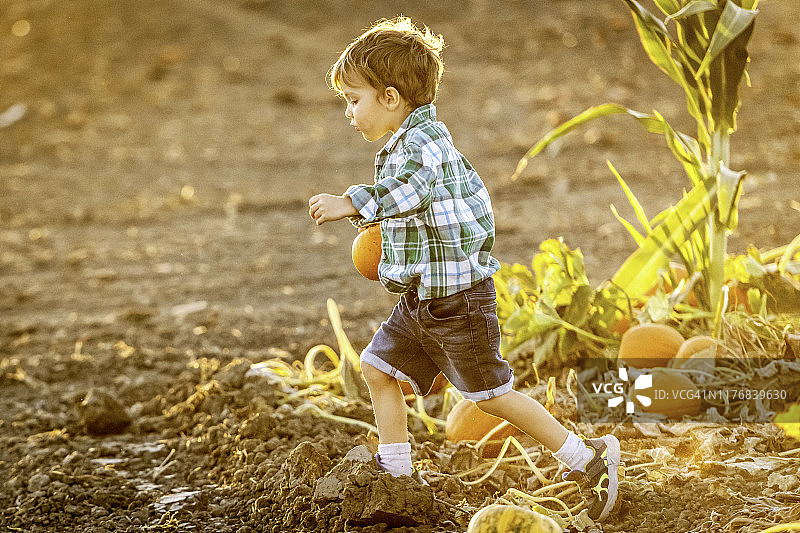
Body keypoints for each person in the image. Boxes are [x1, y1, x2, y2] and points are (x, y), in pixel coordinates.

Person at [308, 17, 620, 521]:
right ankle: (398, 476)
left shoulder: (424, 145)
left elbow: (413, 189)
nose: (349, 112)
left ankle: (588, 459)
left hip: (459, 305)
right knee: (376, 368)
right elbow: (416, 217)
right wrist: (379, 238)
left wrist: (352, 202)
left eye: (353, 99)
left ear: (390, 97)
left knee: (491, 397)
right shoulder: (405, 143)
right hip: (424, 301)